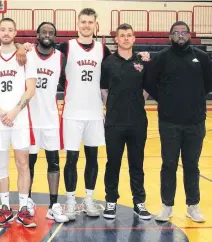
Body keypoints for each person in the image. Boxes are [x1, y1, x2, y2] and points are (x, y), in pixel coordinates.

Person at [144, 21, 212, 223]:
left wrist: (193, 100)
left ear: (189, 35)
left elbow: (208, 84)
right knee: (169, 164)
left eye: (184, 32)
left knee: (192, 165)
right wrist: (165, 100)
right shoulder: (162, 58)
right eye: (176, 32)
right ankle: (167, 206)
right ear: (170, 36)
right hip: (169, 122)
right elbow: (149, 82)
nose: (180, 35)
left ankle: (193, 206)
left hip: (195, 122)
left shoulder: (200, 57)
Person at [57, 8, 111, 220]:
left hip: (95, 113)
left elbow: (107, 81)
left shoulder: (102, 50)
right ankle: (70, 201)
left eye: (90, 22)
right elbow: (55, 71)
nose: (87, 25)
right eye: (83, 22)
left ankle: (89, 198)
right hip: (71, 112)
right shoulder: (66, 47)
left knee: (92, 158)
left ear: (95, 24)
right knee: (71, 158)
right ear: (77, 24)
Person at [0, 18, 37, 228]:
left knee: (23, 163)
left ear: (16, 33)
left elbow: (30, 89)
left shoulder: (26, 56)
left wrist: (13, 112)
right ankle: (5, 208)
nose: (6, 32)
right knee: (1, 164)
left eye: (10, 30)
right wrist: (0, 112)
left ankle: (24, 208)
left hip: (20, 118)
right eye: (3, 29)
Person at [100, 23, 151, 220]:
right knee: (112, 163)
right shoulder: (108, 62)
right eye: (122, 35)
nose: (126, 38)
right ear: (116, 39)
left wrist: (135, 103)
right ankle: (110, 201)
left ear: (134, 38)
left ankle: (139, 202)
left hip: (138, 122)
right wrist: (112, 107)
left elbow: (146, 89)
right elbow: (103, 90)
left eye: (129, 35)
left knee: (137, 163)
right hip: (114, 122)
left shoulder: (143, 61)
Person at [26, 21, 69, 223]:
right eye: (44, 31)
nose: (47, 34)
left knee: (53, 163)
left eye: (51, 32)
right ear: (36, 35)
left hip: (51, 118)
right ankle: (27, 202)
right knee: (29, 164)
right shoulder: (26, 55)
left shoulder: (60, 58)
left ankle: (53, 205)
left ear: (54, 36)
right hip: (30, 120)